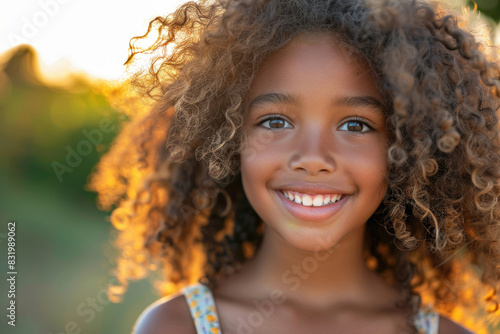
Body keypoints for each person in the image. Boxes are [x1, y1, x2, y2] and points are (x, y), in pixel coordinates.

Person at [88, 0, 500, 333]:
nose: (313, 157)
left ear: (408, 150)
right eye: (275, 121)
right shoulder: (176, 327)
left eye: (356, 125)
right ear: (228, 138)